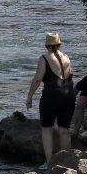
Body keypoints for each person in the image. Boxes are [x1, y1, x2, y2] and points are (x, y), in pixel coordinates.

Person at [27, 32, 75, 166]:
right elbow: (70, 76)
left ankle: (49, 163)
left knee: (47, 130)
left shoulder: (44, 58)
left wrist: (30, 96)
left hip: (51, 98)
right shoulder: (66, 57)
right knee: (64, 131)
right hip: (68, 97)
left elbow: (37, 79)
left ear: (47, 45)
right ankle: (66, 162)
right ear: (59, 44)